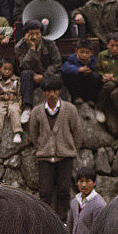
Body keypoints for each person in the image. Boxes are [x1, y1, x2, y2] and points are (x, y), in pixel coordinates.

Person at [29, 75, 83, 221]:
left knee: (64, 191)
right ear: (43, 92)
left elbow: (77, 131)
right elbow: (34, 133)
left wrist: (71, 148)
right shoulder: (37, 111)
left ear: (59, 91)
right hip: (45, 156)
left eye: (54, 91)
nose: (51, 94)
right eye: (47, 91)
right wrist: (42, 147)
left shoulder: (70, 109)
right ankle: (46, 220)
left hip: (65, 156)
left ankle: (62, 220)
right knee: (45, 191)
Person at [15, 20, 62, 123]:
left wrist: (44, 76)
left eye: (37, 34)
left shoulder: (50, 43)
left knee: (58, 76)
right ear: (26, 34)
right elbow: (23, 66)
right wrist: (31, 50)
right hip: (32, 76)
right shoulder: (20, 46)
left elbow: (57, 63)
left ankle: (60, 105)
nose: (34, 37)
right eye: (31, 34)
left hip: (47, 75)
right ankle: (27, 108)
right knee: (25, 74)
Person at [66, 167, 107, 234]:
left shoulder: (99, 205)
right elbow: (69, 227)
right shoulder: (74, 202)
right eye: (81, 181)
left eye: (88, 181)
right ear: (77, 183)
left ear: (94, 183)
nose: (84, 185)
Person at [94, 33, 118, 135]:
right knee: (109, 85)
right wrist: (103, 76)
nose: (114, 48)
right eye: (112, 45)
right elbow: (97, 70)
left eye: (117, 46)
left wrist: (115, 79)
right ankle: (99, 109)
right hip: (105, 84)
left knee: (115, 94)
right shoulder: (102, 55)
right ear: (107, 45)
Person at [0, 59, 23, 148]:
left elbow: (19, 93)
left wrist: (20, 102)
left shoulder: (17, 80)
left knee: (14, 110)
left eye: (10, 69)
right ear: (0, 69)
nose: (7, 71)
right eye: (5, 69)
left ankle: (17, 132)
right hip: (1, 101)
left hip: (14, 101)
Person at [61, 38, 100, 104]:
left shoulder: (94, 61)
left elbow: (98, 70)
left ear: (91, 53)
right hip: (76, 83)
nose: (84, 55)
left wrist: (90, 71)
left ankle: (90, 99)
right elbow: (64, 68)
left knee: (96, 77)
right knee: (70, 74)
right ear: (76, 51)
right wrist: (78, 69)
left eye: (87, 52)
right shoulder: (72, 58)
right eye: (82, 52)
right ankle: (77, 97)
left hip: (87, 83)